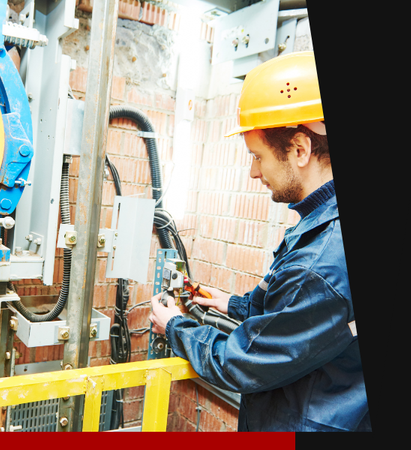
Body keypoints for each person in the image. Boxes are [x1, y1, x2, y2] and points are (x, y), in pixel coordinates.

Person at [148, 52, 371, 432]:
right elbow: (299, 318)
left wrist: (173, 326)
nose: (254, 172)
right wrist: (230, 303)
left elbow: (243, 363)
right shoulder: (320, 223)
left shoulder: (319, 262)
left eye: (257, 156)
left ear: (300, 149)